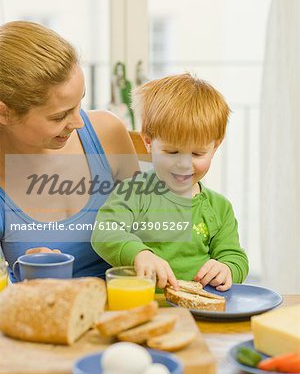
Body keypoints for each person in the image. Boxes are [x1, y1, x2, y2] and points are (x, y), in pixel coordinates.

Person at [0, 21, 139, 281]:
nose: (79, 123)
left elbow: (151, 233)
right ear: (3, 113)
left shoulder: (108, 134)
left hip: (125, 309)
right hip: (44, 313)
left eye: (79, 103)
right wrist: (20, 275)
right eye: (60, 116)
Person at [91, 73, 249, 291]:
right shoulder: (133, 193)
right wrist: (139, 254)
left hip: (201, 310)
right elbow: (105, 232)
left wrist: (227, 268)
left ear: (215, 146)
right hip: (146, 304)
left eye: (197, 153)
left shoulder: (219, 208)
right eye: (172, 151)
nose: (184, 164)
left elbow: (234, 256)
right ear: (148, 142)